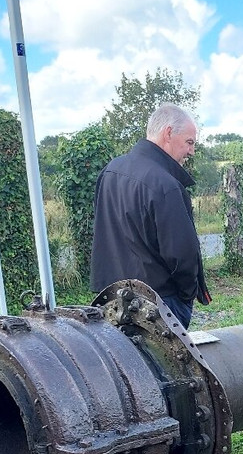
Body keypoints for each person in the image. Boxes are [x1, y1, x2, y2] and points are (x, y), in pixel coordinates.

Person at [90, 104, 211, 327]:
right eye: (189, 142)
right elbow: (183, 254)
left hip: (112, 302)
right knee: (163, 363)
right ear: (168, 134)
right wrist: (186, 296)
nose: (191, 151)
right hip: (158, 304)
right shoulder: (166, 185)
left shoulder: (110, 171)